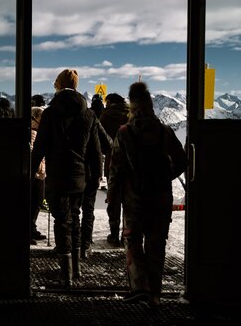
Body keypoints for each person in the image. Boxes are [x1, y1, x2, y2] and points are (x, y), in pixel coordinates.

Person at [107, 82, 186, 307]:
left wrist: (112, 197)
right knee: (156, 243)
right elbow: (182, 161)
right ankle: (155, 296)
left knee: (132, 240)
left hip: (134, 198)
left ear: (132, 107)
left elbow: (116, 169)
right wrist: (165, 177)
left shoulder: (124, 133)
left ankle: (139, 285)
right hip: (161, 198)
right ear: (151, 105)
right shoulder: (165, 132)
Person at [30, 69, 102, 288]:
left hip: (57, 176)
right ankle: (77, 267)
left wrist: (31, 170)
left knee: (62, 221)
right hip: (80, 176)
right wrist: (97, 175)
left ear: (59, 85)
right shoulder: (89, 114)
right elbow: (95, 150)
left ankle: (66, 273)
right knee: (75, 217)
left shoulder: (51, 113)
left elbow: (40, 145)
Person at [79, 116, 112, 259]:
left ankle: (67, 248)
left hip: (66, 171)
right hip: (91, 171)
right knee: (88, 208)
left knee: (68, 211)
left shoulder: (54, 114)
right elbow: (108, 143)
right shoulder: (90, 117)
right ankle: (85, 245)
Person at [100, 92, 130, 245]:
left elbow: (101, 140)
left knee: (114, 200)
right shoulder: (131, 114)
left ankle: (113, 235)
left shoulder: (105, 116)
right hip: (132, 164)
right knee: (129, 200)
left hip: (113, 161)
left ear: (110, 102)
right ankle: (127, 235)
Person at [30, 106, 47, 245]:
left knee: (37, 202)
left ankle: (32, 227)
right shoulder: (32, 133)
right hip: (35, 173)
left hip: (40, 173)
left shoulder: (39, 133)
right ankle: (29, 230)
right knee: (33, 202)